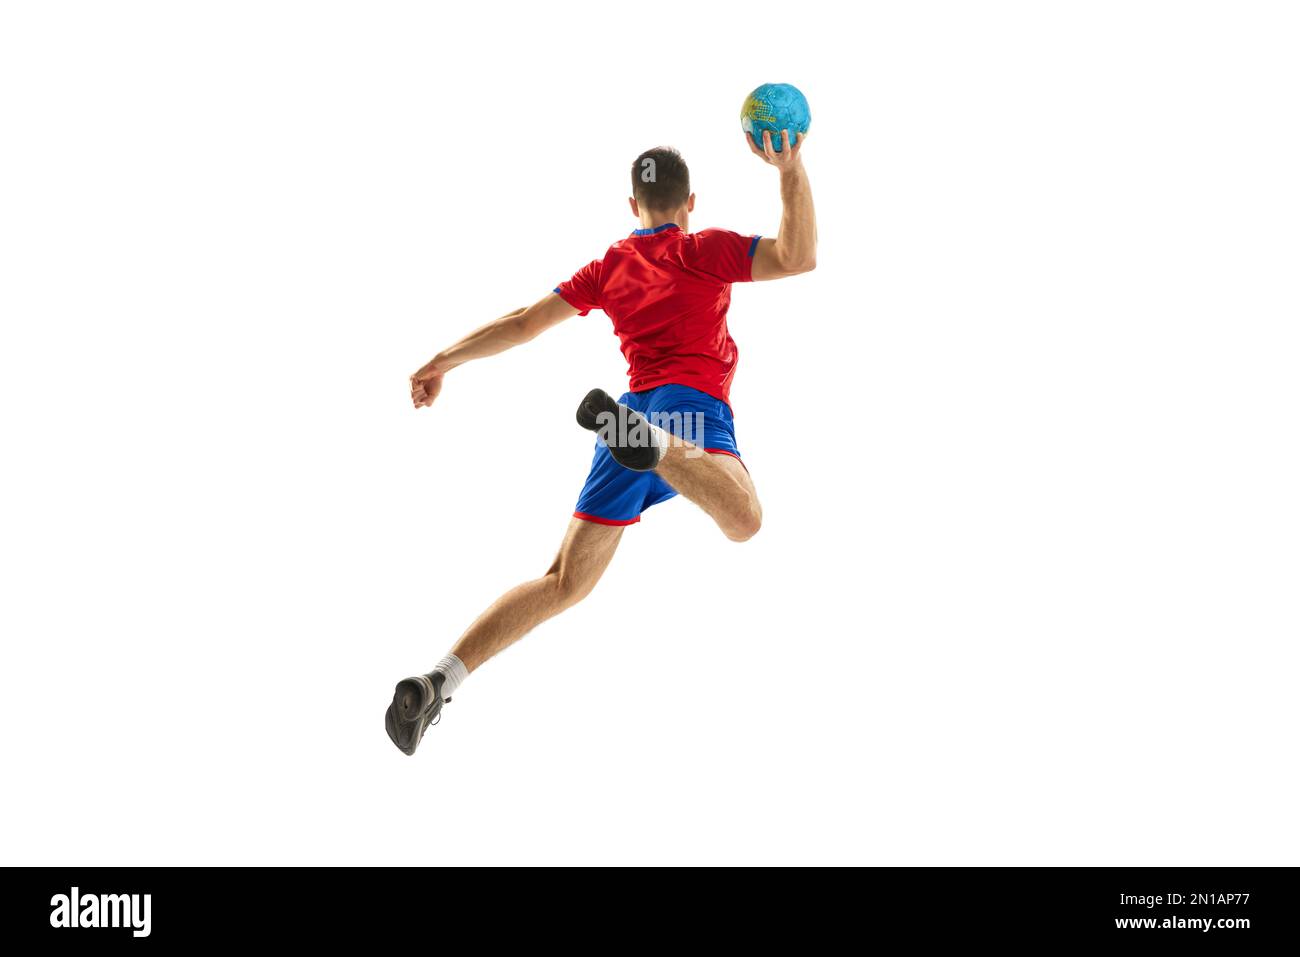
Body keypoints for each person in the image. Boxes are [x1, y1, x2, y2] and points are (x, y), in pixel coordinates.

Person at [386, 130, 817, 755]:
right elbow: (797, 256)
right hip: (685, 410)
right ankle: (661, 447)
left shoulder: (610, 267)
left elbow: (522, 324)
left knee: (563, 581)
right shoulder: (704, 249)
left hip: (628, 418)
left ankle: (438, 680)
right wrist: (790, 166)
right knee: (745, 519)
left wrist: (441, 361)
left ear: (631, 204)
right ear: (689, 202)